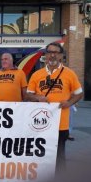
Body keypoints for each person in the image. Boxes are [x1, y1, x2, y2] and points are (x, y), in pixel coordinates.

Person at [26, 42, 83, 172]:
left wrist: (69, 103)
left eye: (56, 53)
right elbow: (28, 95)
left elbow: (79, 94)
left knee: (59, 156)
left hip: (60, 124)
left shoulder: (69, 74)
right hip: (40, 123)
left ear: (61, 56)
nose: (52, 55)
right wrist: (37, 98)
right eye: (49, 52)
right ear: (45, 55)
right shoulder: (36, 75)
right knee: (40, 154)